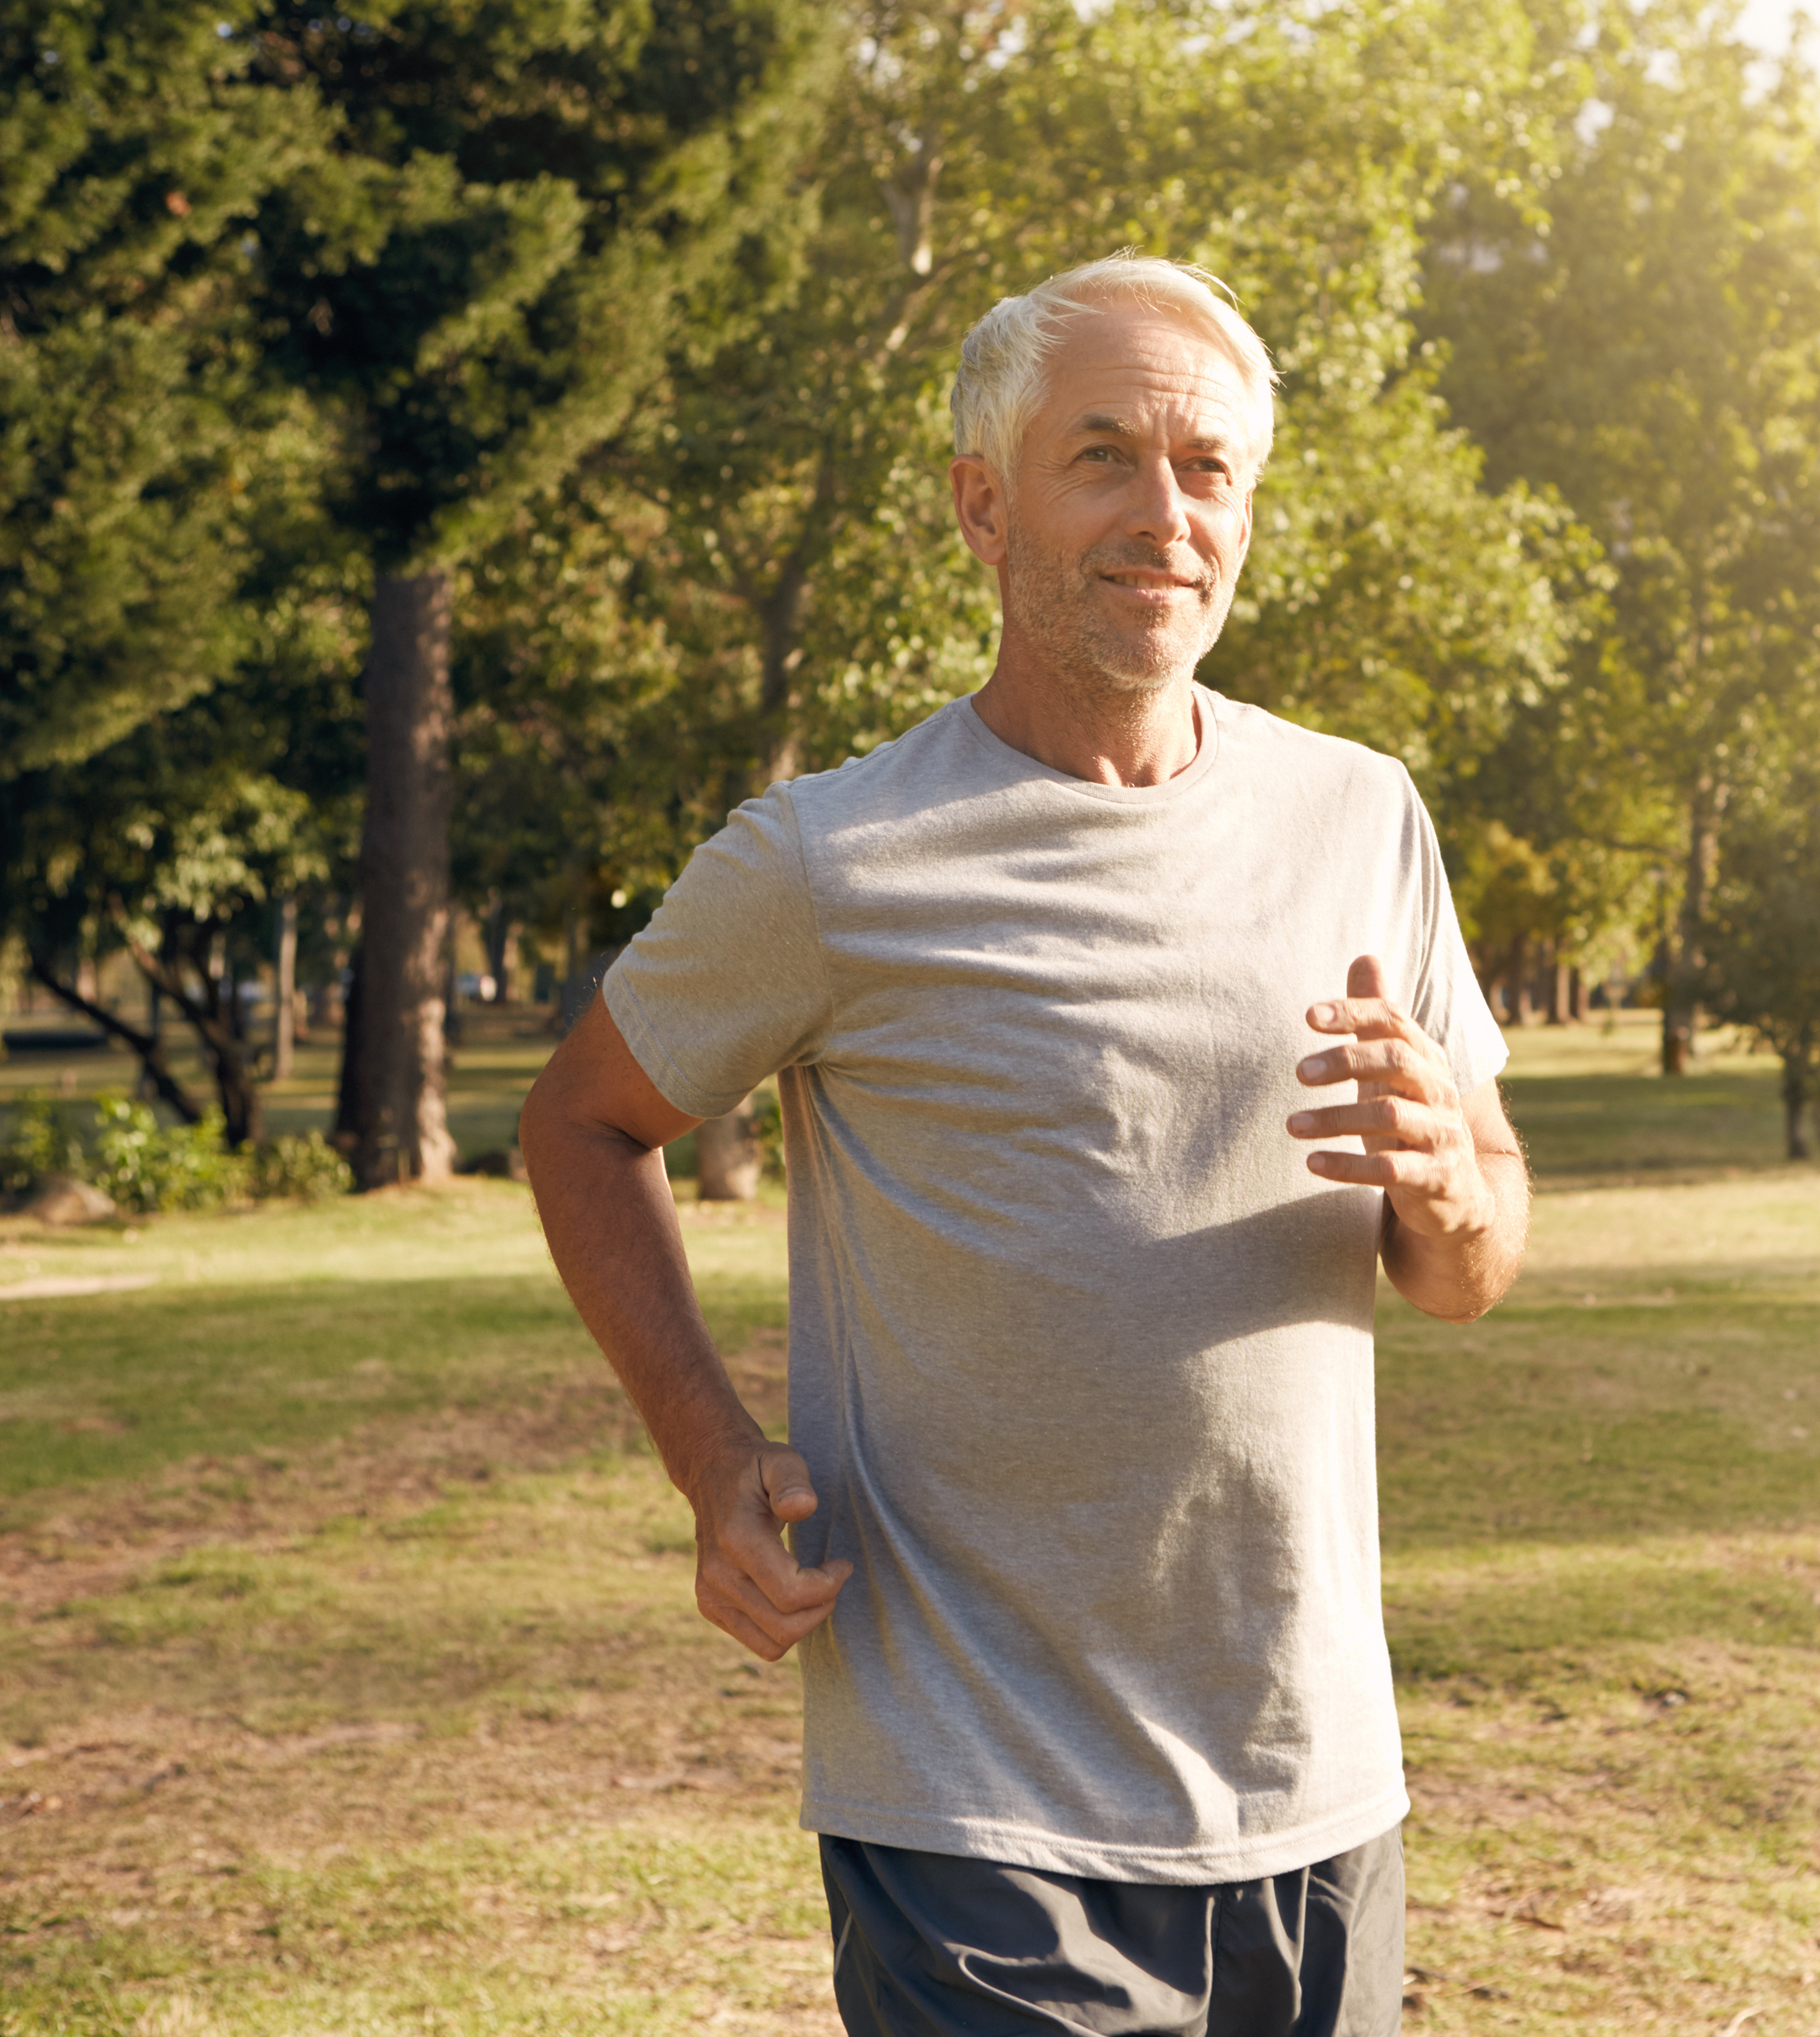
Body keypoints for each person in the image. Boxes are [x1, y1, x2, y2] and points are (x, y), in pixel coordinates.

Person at [521, 253, 1531, 2036]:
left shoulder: (1359, 813)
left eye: (1208, 468)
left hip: (1314, 1786)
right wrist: (708, 1454)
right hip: (978, 1804)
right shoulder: (833, 861)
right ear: (984, 507)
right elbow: (583, 1119)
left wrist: (1455, 1191)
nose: (1167, 513)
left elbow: (1470, 1262)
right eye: (1105, 457)